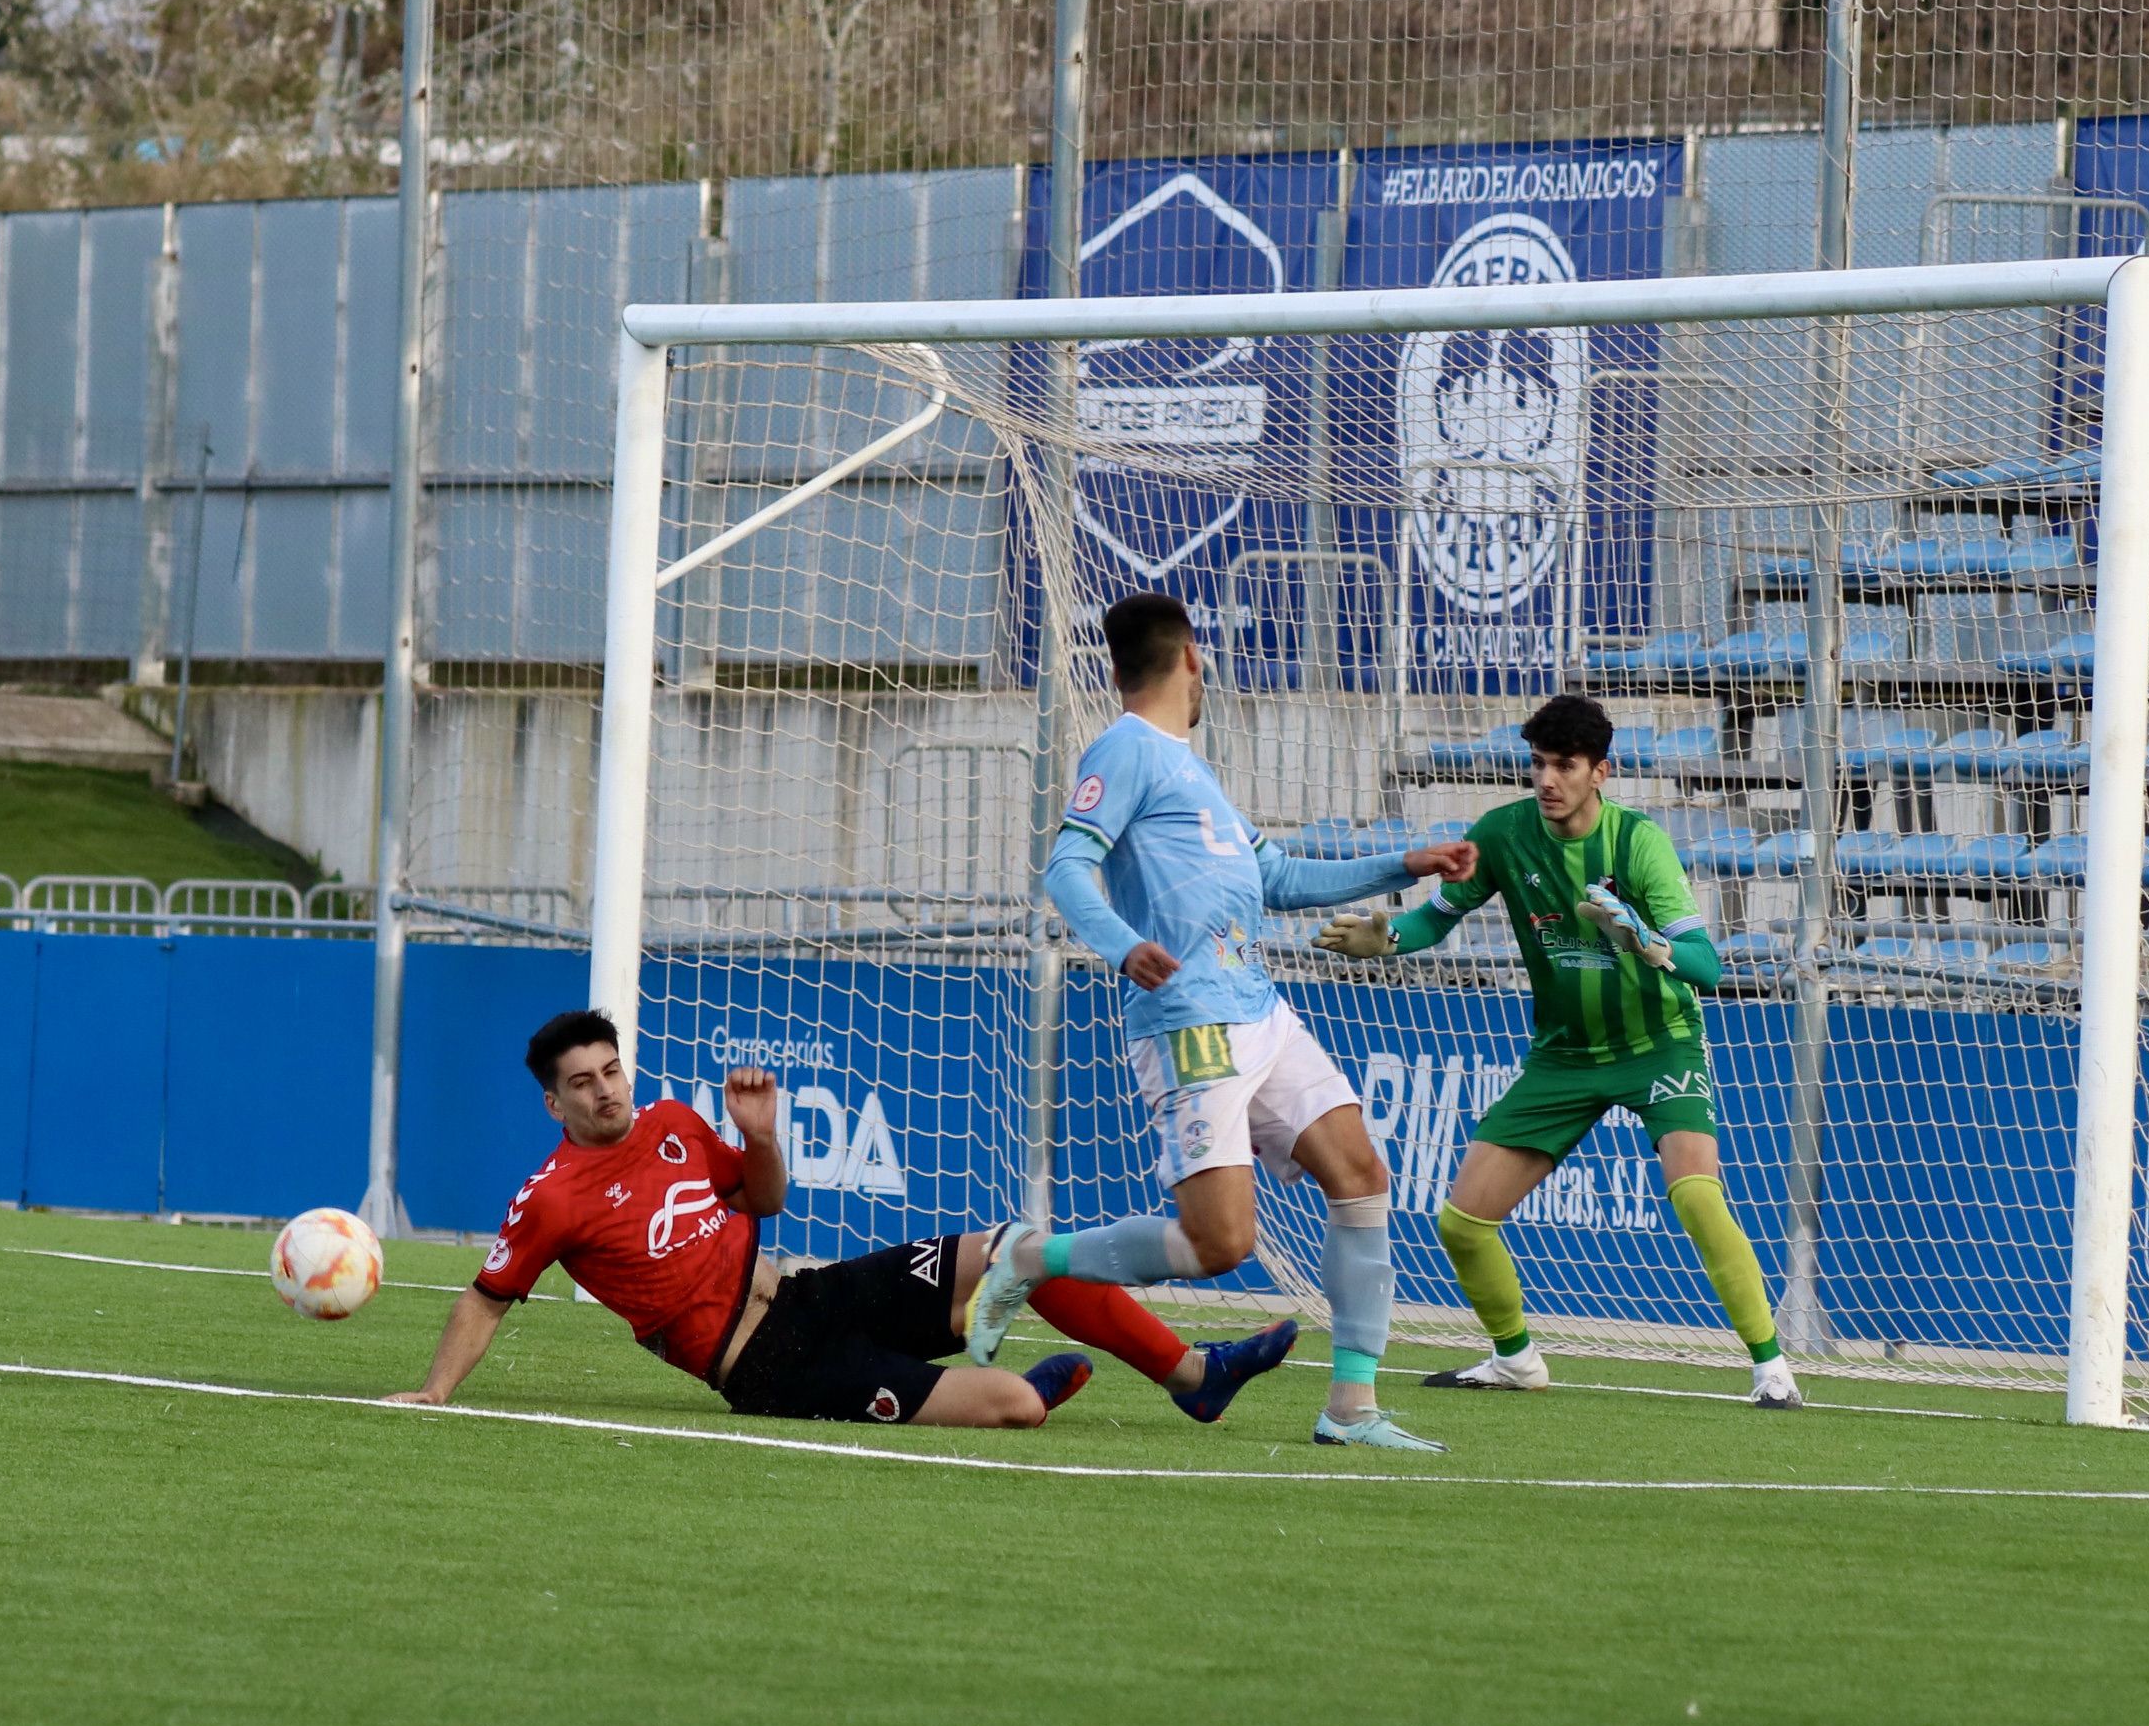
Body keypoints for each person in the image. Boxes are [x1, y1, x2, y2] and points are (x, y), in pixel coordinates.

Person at [965, 591, 1482, 1452]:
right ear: (1193, 658)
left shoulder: (1192, 770)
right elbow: (1065, 868)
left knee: (1360, 1171)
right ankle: (1027, 1258)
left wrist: (1407, 862)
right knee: (1220, 1242)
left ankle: (1350, 1408)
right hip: (1189, 1022)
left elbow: (1278, 876)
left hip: (1260, 1009)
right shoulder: (1126, 749)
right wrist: (1123, 945)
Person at [1317, 691, 1799, 1407]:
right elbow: (1434, 921)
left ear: (1601, 771)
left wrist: (1646, 939)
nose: (1547, 780)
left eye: (1565, 765)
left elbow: (1708, 966)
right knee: (1462, 1222)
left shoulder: (1638, 844)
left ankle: (1772, 1370)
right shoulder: (1506, 836)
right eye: (1538, 764)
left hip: (1656, 1044)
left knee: (1696, 1195)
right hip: (1564, 1057)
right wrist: (1385, 940)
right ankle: (1516, 1360)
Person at [392, 1007, 1102, 1429]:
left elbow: (764, 1201)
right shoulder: (550, 1197)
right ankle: (1008, 1384)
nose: (605, 1090)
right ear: (555, 1105)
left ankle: (1186, 1371)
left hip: (811, 1296)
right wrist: (436, 1390)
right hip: (767, 1368)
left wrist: (760, 1135)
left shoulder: (672, 1121)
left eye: (611, 1071)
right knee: (1016, 1407)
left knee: (1017, 1249)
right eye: (583, 1083)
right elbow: (485, 1303)